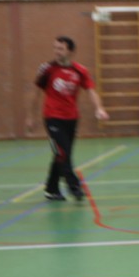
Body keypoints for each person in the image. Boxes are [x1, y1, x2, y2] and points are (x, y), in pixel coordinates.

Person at [26, 36, 109, 201]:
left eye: (61, 49)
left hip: (71, 119)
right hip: (52, 117)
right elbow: (35, 93)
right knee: (63, 152)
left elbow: (91, 91)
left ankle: (51, 189)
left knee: (61, 154)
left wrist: (99, 108)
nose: (57, 52)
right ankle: (74, 186)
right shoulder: (47, 69)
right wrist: (30, 116)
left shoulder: (80, 71)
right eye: (55, 48)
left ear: (70, 51)